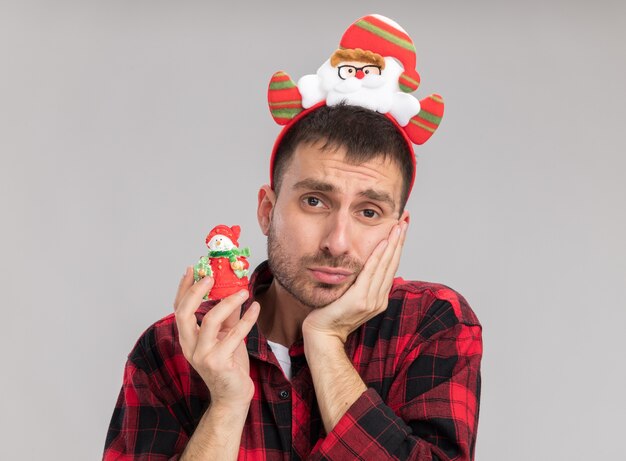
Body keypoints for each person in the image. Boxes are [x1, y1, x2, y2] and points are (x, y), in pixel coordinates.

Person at [105, 14, 482, 461]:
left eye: (368, 211)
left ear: (397, 231)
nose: (337, 242)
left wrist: (324, 343)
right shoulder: (171, 350)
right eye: (315, 202)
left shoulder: (432, 324)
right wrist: (226, 406)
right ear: (267, 210)